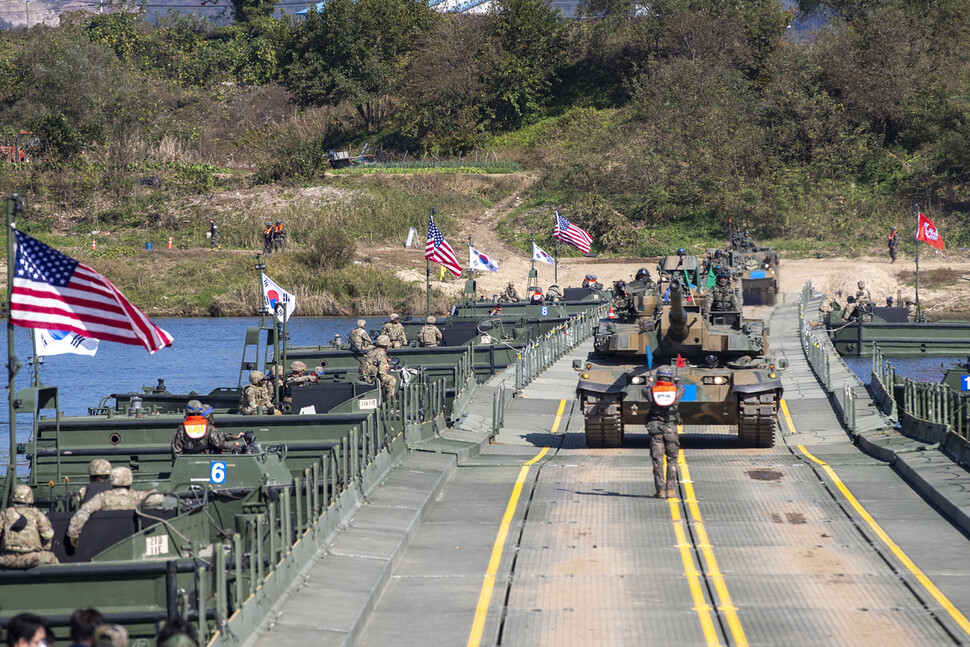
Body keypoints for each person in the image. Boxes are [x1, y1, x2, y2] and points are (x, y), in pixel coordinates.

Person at [67, 467, 162, 547]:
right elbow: (159, 498)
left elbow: (84, 511)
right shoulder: (137, 496)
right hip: (132, 539)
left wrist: (73, 534)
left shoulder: (102, 498)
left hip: (107, 541)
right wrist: (149, 491)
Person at [643, 367, 684, 498]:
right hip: (671, 429)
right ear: (670, 377)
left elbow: (645, 391)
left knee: (657, 460)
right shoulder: (676, 391)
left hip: (655, 429)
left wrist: (649, 383)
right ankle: (670, 490)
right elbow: (682, 390)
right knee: (672, 460)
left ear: (658, 377)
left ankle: (660, 490)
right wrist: (677, 382)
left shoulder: (652, 391)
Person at [0, 485, 58, 569]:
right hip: (31, 558)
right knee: (52, 558)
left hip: (7, 559)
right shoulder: (37, 514)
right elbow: (48, 535)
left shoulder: (4, 515)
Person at [172, 400, 241, 458]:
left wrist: (176, 465)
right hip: (205, 460)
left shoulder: (182, 428)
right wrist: (235, 447)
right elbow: (218, 443)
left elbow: (176, 448)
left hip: (186, 461)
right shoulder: (208, 427)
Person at [360, 335, 397, 402]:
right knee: (392, 380)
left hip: (365, 376)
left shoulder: (371, 351)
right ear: (386, 345)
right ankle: (388, 402)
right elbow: (382, 372)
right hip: (373, 378)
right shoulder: (382, 353)